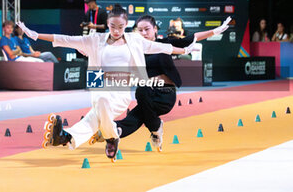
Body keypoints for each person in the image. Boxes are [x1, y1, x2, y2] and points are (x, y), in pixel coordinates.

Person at [17, 4, 199, 160]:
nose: (117, 30)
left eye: (121, 26)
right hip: (99, 88)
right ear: (108, 24)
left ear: (126, 24)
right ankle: (66, 137)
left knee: (101, 105)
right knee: (95, 114)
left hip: (120, 93)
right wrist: (35, 35)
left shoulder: (135, 40)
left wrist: (184, 51)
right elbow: (67, 39)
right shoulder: (95, 40)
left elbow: (161, 47)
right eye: (113, 26)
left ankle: (108, 136)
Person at [89, 15, 232, 151]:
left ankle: (152, 127)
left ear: (155, 29)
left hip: (166, 95)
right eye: (140, 30)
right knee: (138, 109)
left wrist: (215, 31)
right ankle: (117, 131)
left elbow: (191, 38)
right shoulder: (134, 50)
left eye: (147, 29)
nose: (144, 33)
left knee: (141, 102)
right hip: (147, 94)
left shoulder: (165, 44)